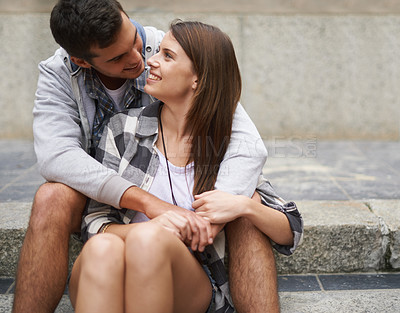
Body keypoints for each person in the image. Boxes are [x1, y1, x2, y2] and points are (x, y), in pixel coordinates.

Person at [12, 0, 302, 312]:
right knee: (93, 238)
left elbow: (246, 143)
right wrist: (154, 211)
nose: (143, 59)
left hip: (184, 264)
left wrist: (219, 214)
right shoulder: (118, 128)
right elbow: (58, 160)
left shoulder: (218, 136)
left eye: (137, 41)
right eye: (120, 56)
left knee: (245, 205)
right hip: (103, 200)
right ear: (82, 61)